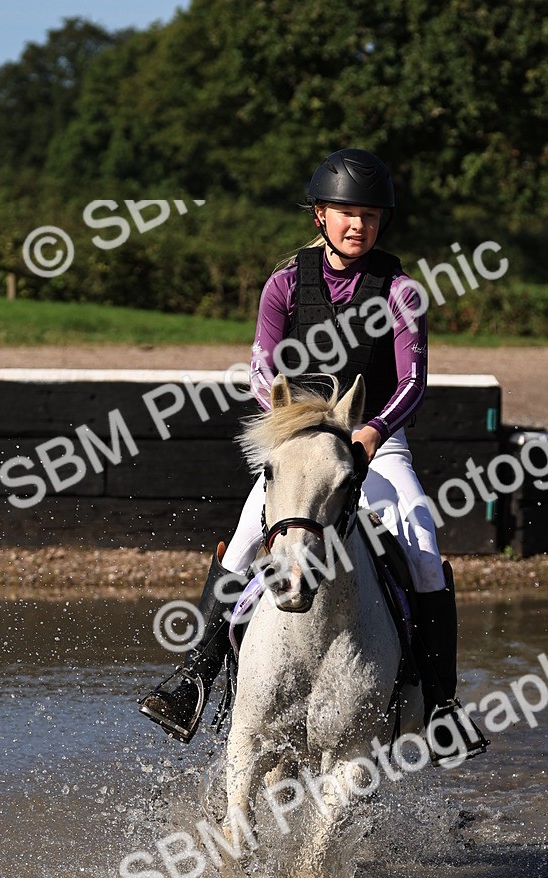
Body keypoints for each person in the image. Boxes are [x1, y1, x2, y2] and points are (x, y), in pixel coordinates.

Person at [139, 147, 487, 760]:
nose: (359, 225)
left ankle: (440, 704)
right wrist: (286, 420)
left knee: (423, 547)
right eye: (347, 213)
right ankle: (193, 679)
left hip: (374, 440)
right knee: (244, 542)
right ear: (321, 215)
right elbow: (261, 367)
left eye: (371, 216)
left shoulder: (401, 292)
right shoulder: (283, 285)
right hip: (301, 442)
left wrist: (371, 432)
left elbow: (413, 382)